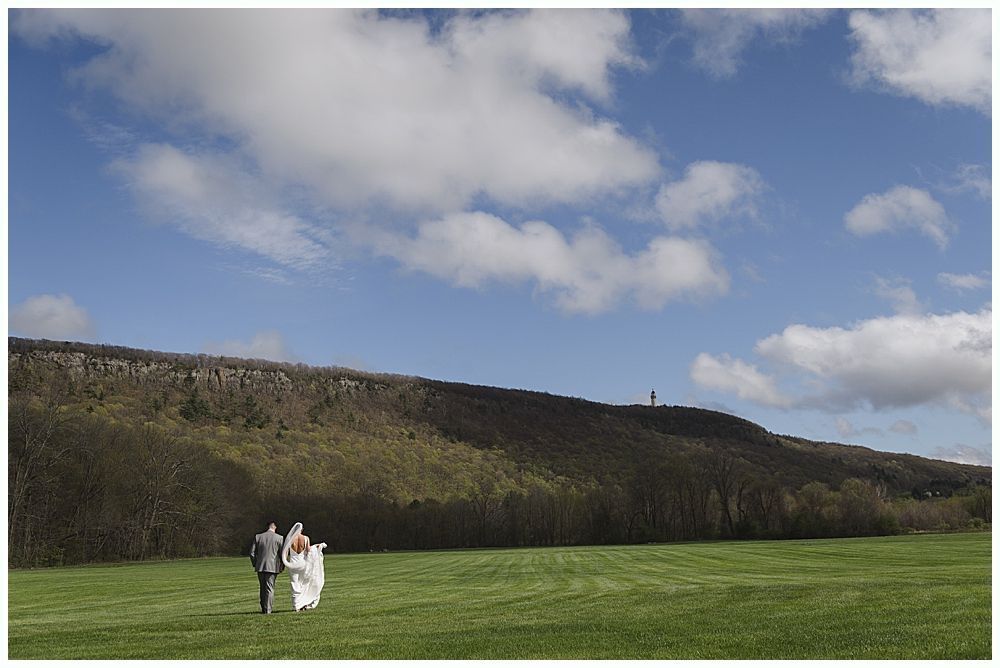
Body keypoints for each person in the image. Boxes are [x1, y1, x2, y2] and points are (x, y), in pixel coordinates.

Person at [281, 522, 327, 611]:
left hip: (293, 564)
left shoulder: (290, 539)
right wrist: (318, 546)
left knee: (294, 583)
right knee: (302, 583)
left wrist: (284, 563)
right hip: (302, 564)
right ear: (302, 530)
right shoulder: (305, 538)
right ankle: (301, 603)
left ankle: (296, 605)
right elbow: (308, 551)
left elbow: (285, 553)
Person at [249, 520, 284, 614]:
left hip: (260, 566)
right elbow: (282, 554)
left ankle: (263, 608)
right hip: (272, 566)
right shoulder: (279, 538)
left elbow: (252, 553)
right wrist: (282, 564)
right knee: (269, 588)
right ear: (274, 527)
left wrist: (255, 563)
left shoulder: (258, 537)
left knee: (262, 588)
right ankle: (268, 609)